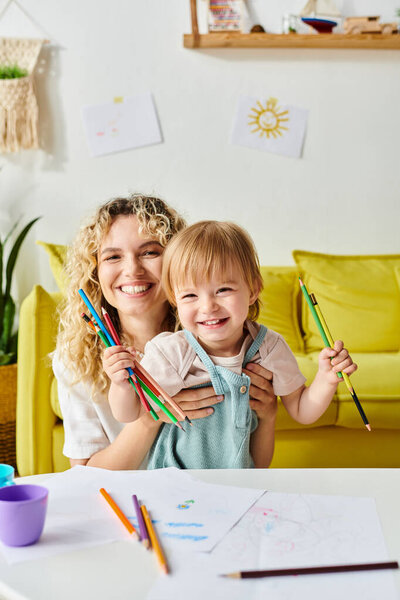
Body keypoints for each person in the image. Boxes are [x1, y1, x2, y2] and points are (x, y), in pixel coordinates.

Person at [108, 221, 357, 469]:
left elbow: (303, 411)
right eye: (190, 296)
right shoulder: (172, 352)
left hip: (238, 480)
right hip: (174, 480)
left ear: (253, 289)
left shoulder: (269, 348)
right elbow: (129, 414)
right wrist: (121, 384)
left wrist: (326, 379)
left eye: (223, 290)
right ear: (175, 299)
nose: (208, 307)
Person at [54, 197, 276, 470]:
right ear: (94, 271)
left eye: (150, 252)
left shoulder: (217, 334)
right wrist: (151, 417)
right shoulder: (75, 358)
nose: (132, 270)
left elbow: (251, 464)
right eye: (113, 256)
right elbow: (85, 473)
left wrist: (268, 415)